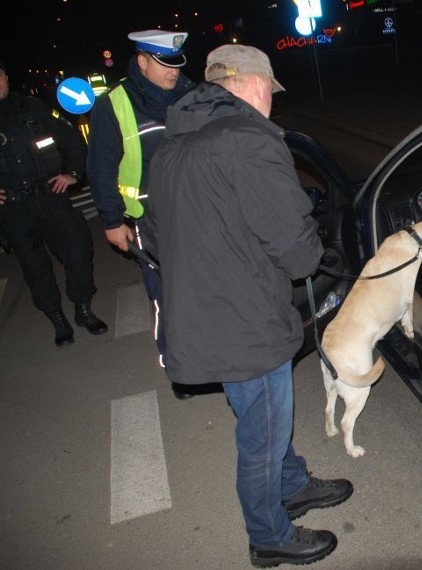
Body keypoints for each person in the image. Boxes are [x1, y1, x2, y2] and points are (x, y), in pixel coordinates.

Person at [145, 44, 352, 567]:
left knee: (264, 420)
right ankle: (269, 536)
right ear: (250, 84)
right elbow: (296, 247)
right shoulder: (247, 141)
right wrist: (312, 248)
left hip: (203, 313)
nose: (272, 101)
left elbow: (151, 236)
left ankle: (293, 484)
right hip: (242, 321)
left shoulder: (173, 143)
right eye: (270, 89)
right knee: (260, 436)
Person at [86, 30, 196, 398]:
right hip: (151, 221)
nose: (173, 72)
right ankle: (179, 369)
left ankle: (212, 356)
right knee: (168, 297)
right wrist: (112, 220)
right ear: (142, 61)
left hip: (199, 212)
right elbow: (101, 166)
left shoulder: (191, 93)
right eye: (165, 64)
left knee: (204, 289)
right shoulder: (114, 104)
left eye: (177, 64)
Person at [0, 58, 108, 347]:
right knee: (36, 268)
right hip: (13, 209)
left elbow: (71, 138)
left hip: (50, 197)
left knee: (78, 249)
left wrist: (73, 173)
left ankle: (83, 308)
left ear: (6, 77)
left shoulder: (32, 108)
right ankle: (57, 318)